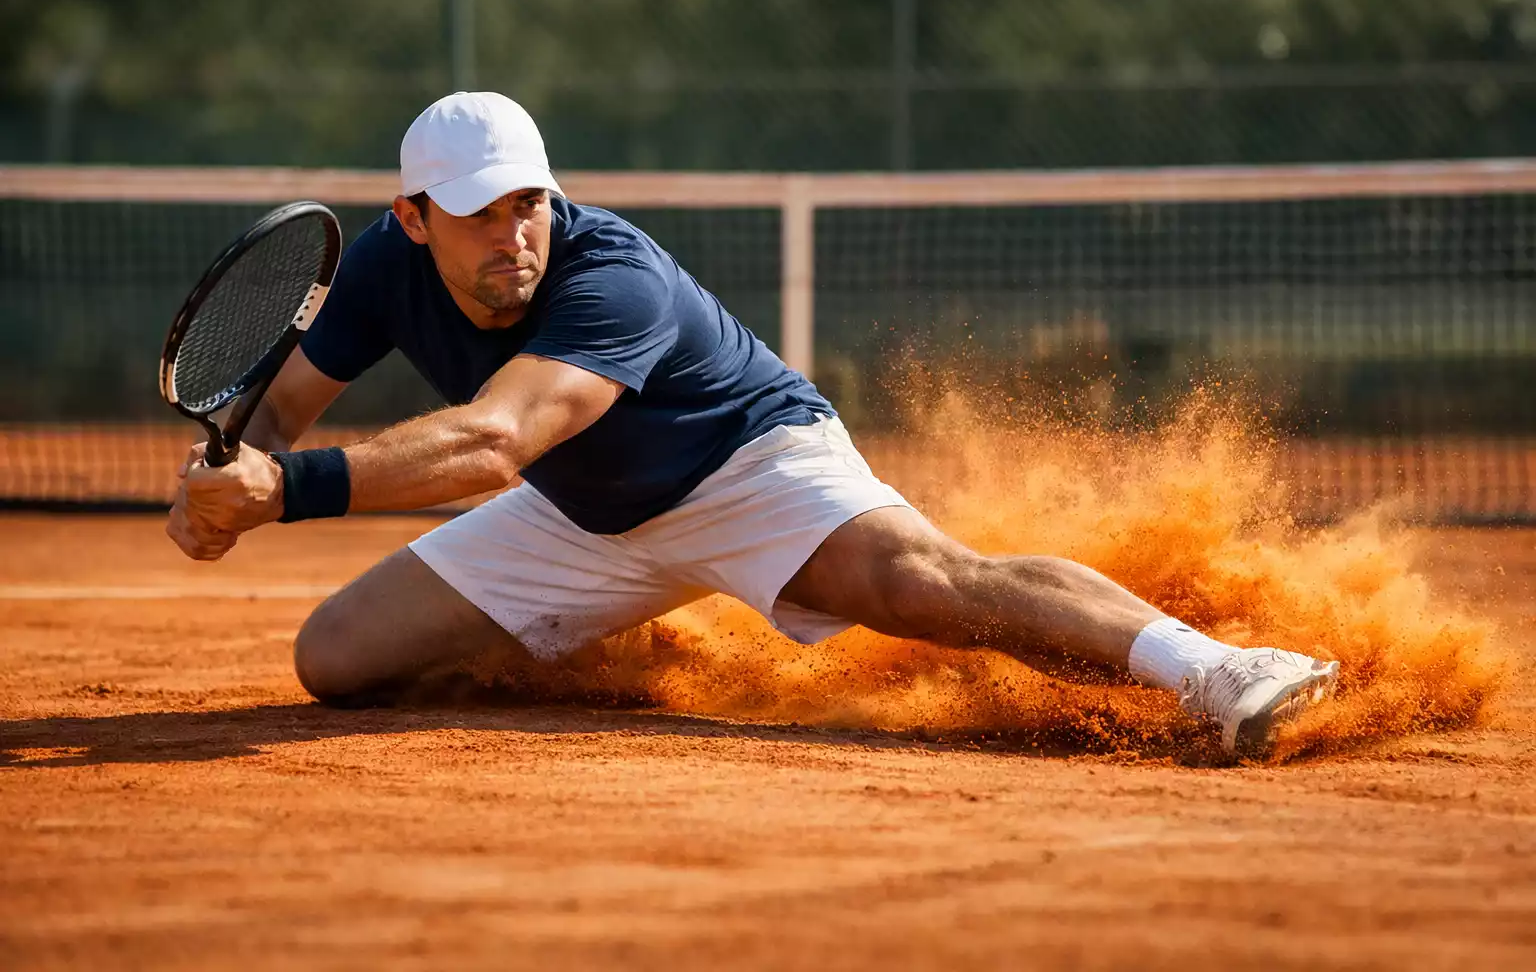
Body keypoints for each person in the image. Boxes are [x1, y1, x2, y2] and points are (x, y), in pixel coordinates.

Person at [168, 91, 1339, 759]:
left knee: (928, 581)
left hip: (745, 465)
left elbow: (492, 443)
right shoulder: (379, 271)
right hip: (582, 516)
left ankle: (1218, 664)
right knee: (334, 660)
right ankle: (618, 638)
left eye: (530, 202)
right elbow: (278, 406)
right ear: (413, 219)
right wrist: (224, 463)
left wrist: (285, 492)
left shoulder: (607, 272)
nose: (514, 234)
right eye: (480, 215)